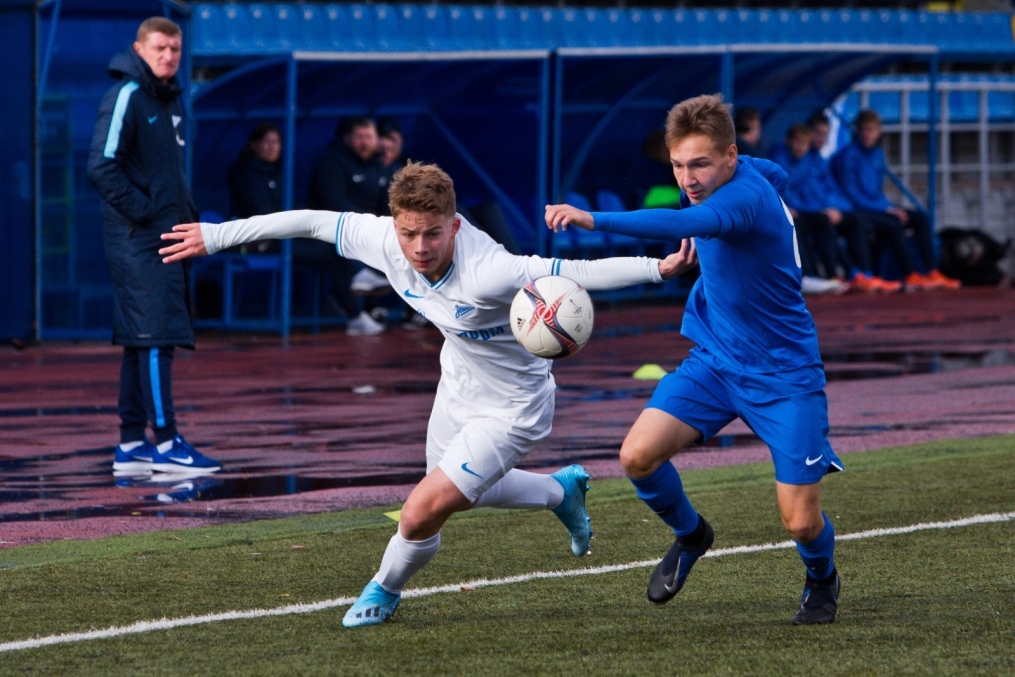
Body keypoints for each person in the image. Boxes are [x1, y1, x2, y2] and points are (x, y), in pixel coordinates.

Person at [159, 162, 698, 627]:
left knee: (420, 512)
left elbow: (573, 271)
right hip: (457, 388)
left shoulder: (491, 271)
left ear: (455, 225)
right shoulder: (386, 241)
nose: (419, 247)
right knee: (469, 491)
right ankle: (563, 494)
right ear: (395, 224)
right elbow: (310, 221)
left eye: (433, 234)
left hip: (514, 408)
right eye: (409, 233)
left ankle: (384, 590)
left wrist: (659, 268)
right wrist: (218, 234)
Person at [546, 94, 844, 625]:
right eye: (679, 164)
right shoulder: (752, 171)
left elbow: (671, 220)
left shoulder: (739, 199)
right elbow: (774, 173)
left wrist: (590, 218)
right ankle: (691, 535)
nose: (688, 178)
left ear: (730, 155)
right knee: (637, 455)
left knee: (801, 523)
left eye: (700, 163)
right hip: (715, 359)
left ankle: (822, 577)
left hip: (784, 374)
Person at [87, 16, 221, 475]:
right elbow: (101, 167)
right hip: (140, 239)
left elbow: (166, 176)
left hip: (166, 234)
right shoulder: (126, 95)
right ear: (139, 50)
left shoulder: (168, 101)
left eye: (176, 49)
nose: (169, 56)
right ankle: (165, 444)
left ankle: (130, 444)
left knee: (138, 340)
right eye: (161, 48)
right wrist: (147, 213)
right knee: (154, 338)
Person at [831, 110, 960, 291]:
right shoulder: (847, 157)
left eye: (871, 130)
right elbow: (853, 194)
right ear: (858, 132)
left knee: (919, 218)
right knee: (894, 222)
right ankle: (910, 275)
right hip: (856, 210)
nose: (867, 134)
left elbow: (876, 191)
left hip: (876, 207)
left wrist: (888, 207)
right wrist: (886, 210)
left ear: (879, 132)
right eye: (863, 130)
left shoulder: (877, 155)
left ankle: (932, 271)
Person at [770, 124, 899, 294]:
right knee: (819, 221)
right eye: (797, 142)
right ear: (788, 141)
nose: (801, 147)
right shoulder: (780, 160)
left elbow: (821, 191)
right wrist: (819, 209)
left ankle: (859, 274)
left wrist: (830, 208)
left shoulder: (810, 160)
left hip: (812, 210)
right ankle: (820, 275)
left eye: (804, 143)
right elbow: (787, 194)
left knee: (854, 220)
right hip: (794, 212)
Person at [305, 116, 389, 334]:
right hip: (328, 229)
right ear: (347, 138)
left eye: (369, 136)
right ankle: (355, 310)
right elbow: (332, 202)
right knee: (342, 244)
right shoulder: (331, 162)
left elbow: (387, 203)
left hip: (369, 229)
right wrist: (367, 220)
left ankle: (380, 306)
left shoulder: (379, 166)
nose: (364, 142)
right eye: (359, 136)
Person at [226, 122, 282, 253]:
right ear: (254, 145)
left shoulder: (281, 173)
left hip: (277, 233)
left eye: (276, 142)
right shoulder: (245, 172)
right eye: (267, 141)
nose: (272, 147)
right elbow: (262, 209)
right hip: (253, 236)